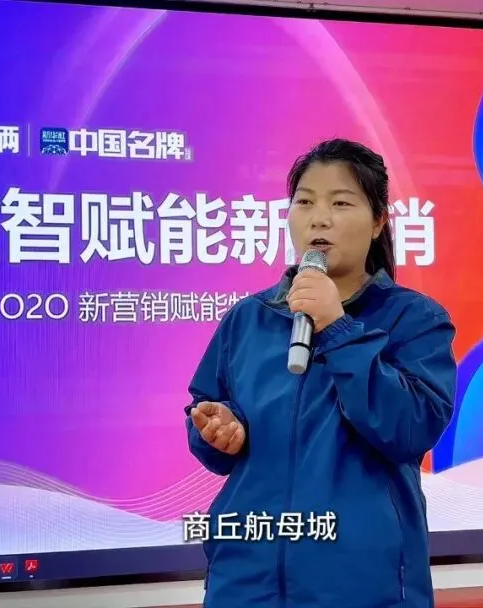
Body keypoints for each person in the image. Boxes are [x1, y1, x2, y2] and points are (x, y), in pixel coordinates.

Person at [184, 138, 457, 608]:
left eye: (341, 203)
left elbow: (410, 428)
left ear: (378, 221)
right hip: (246, 582)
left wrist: (337, 326)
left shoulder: (414, 318)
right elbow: (206, 412)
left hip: (361, 586)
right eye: (305, 202)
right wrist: (218, 428)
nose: (319, 218)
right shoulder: (249, 318)